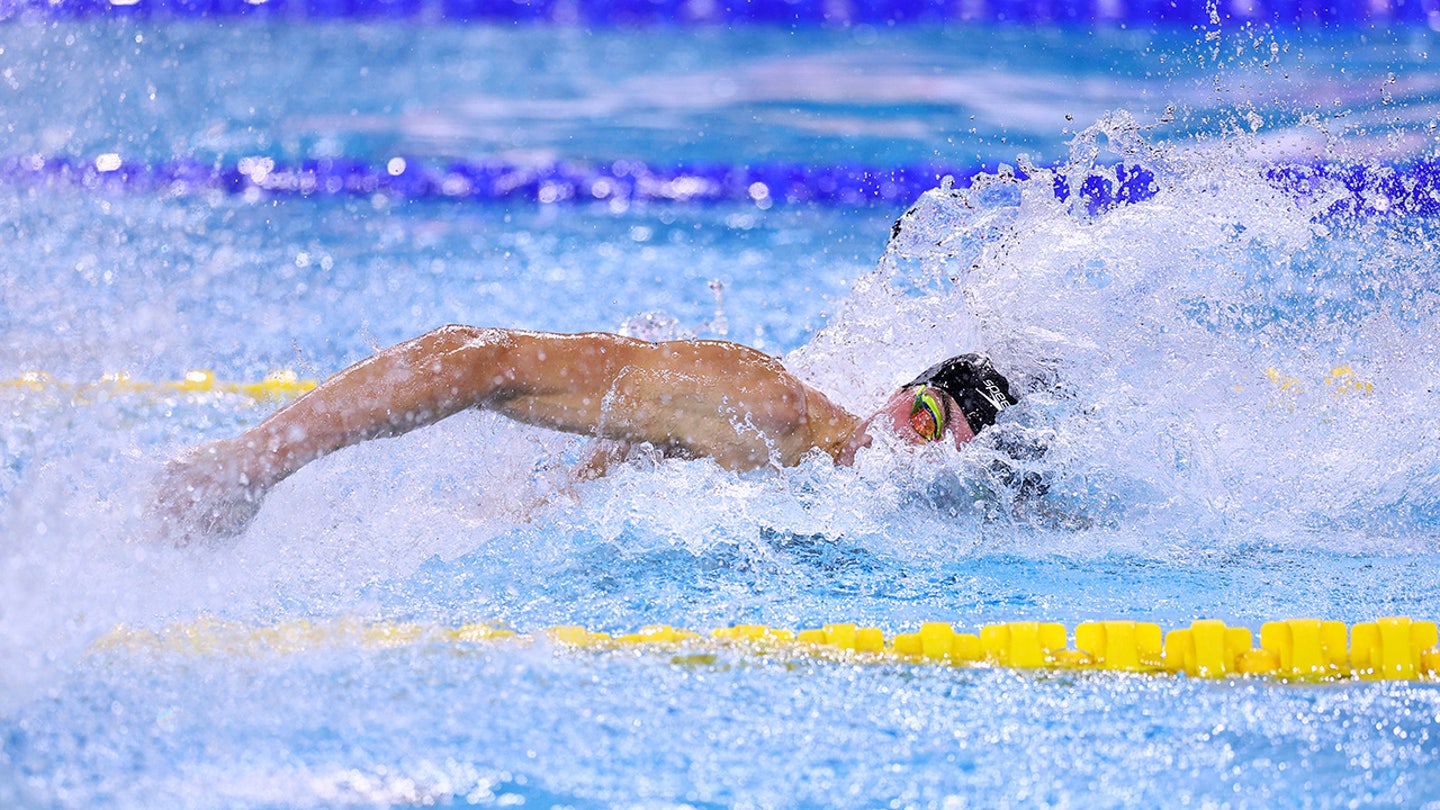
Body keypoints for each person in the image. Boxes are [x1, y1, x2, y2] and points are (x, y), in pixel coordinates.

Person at [153, 325, 1016, 538]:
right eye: (926, 414)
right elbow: (484, 358)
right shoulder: (768, 411)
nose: (912, 447)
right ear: (900, 393)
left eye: (945, 453)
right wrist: (254, 463)